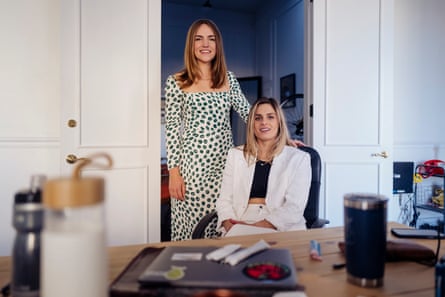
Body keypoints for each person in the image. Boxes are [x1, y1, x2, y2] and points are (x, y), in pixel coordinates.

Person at [164, 19, 251, 241]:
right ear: (191, 45)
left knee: (224, 224)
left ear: (218, 45)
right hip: (193, 170)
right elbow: (172, 129)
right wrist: (174, 173)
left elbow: (249, 115)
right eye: (199, 38)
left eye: (211, 39)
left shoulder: (228, 79)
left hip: (225, 166)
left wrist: (282, 138)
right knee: (195, 230)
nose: (206, 44)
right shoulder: (176, 82)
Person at [215, 97, 311, 236]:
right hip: (241, 220)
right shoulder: (235, 155)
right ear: (252, 124)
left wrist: (255, 228)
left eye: (270, 117)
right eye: (258, 118)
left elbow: (294, 207)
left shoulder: (299, 158)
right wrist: (231, 226)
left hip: (281, 224)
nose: (264, 122)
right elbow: (224, 200)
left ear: (279, 122)